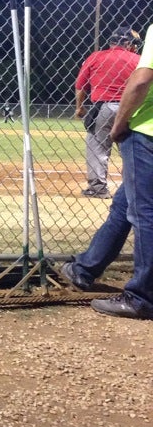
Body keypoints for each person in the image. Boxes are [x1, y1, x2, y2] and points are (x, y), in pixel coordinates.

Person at [60, 23, 153, 320]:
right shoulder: (131, 57)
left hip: (140, 123)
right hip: (133, 113)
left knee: (143, 211)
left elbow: (139, 81)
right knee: (123, 204)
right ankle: (84, 269)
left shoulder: (99, 56)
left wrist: (87, 111)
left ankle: (142, 297)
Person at [74, 26, 141, 198]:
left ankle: (98, 188)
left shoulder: (96, 57)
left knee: (97, 146)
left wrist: (79, 106)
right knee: (133, 148)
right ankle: (138, 186)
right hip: (132, 108)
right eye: (134, 44)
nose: (135, 47)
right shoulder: (138, 60)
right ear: (128, 44)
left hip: (104, 108)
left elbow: (81, 85)